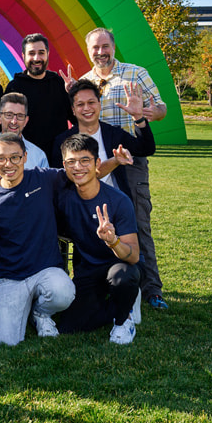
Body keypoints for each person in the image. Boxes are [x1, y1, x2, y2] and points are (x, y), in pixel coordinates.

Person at [77, 27, 168, 310]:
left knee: (138, 223)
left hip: (131, 160)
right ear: (89, 50)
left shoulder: (135, 73)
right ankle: (102, 283)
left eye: (105, 46)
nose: (101, 52)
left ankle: (151, 289)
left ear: (113, 47)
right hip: (97, 165)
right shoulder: (85, 81)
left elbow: (161, 107)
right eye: (95, 48)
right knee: (95, 224)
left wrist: (148, 113)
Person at [0, 134, 75, 346]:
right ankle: (23, 308)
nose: (8, 164)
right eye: (1, 159)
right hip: (10, 276)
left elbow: (81, 174)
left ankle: (41, 313)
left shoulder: (43, 178)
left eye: (15, 157)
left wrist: (114, 161)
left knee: (64, 292)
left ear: (25, 157)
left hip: (46, 269)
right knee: (4, 342)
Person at [54, 133, 141, 344]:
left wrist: (113, 241)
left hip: (118, 265)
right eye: (71, 162)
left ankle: (124, 319)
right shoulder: (64, 194)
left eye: (85, 161)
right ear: (64, 165)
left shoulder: (119, 201)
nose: (78, 167)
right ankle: (116, 305)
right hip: (88, 270)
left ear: (97, 164)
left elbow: (134, 256)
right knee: (68, 327)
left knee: (123, 277)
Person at [51, 79, 155, 197]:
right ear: (73, 110)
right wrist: (114, 161)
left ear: (100, 104)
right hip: (78, 207)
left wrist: (139, 118)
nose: (86, 108)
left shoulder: (114, 134)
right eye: (80, 104)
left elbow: (146, 148)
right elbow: (59, 181)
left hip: (114, 204)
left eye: (91, 102)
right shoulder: (62, 141)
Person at [4, 33, 74, 155]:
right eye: (31, 53)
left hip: (58, 158)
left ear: (48, 54)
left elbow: (77, 119)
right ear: (23, 56)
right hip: (26, 158)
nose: (36, 58)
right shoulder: (14, 87)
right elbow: (6, 126)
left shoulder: (59, 84)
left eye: (41, 53)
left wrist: (74, 94)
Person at [0, 93, 49, 169]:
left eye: (20, 116)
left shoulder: (38, 156)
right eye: (9, 115)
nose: (14, 121)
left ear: (26, 121)